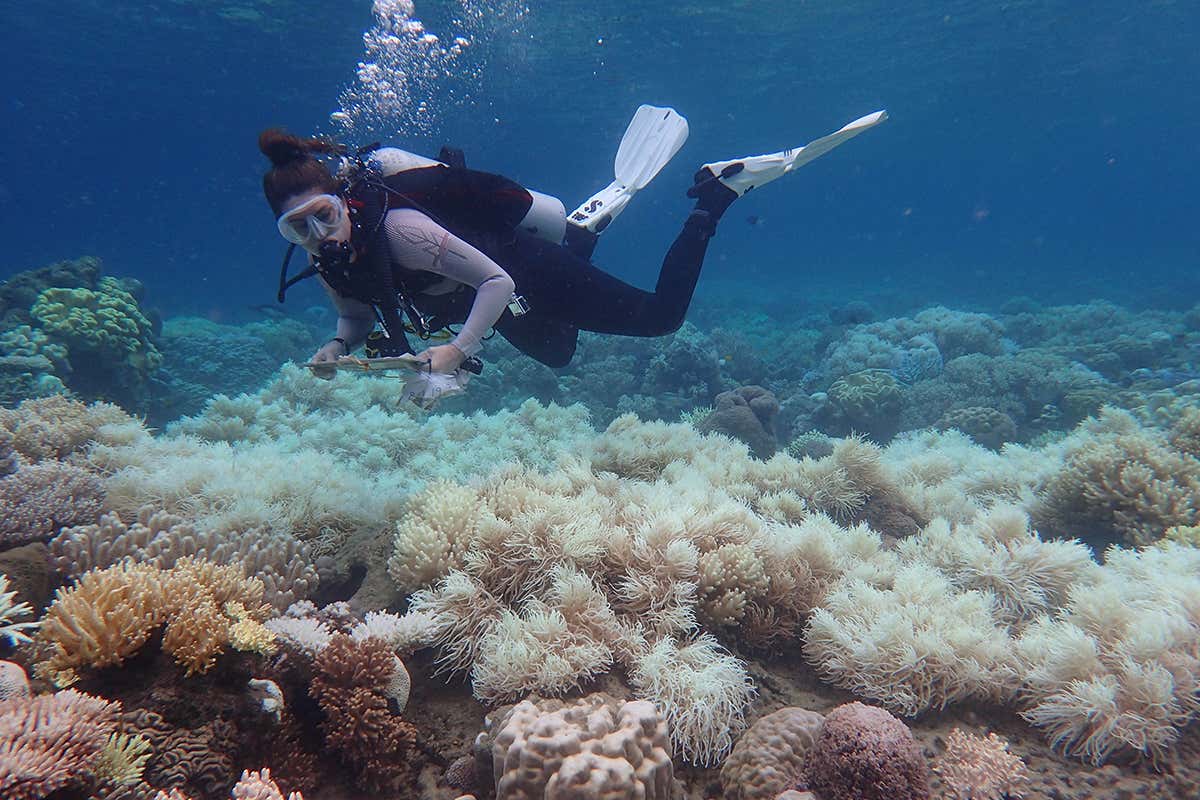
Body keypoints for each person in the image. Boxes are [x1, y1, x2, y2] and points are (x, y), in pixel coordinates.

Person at [259, 109, 886, 391]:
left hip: (514, 271)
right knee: (558, 354)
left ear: (343, 199)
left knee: (660, 319)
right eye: (298, 231)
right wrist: (338, 345)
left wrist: (455, 349)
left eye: (323, 217)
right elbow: (355, 313)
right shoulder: (325, 260)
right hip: (485, 296)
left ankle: (715, 196)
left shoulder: (402, 233)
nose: (319, 237)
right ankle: (583, 231)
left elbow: (497, 285)